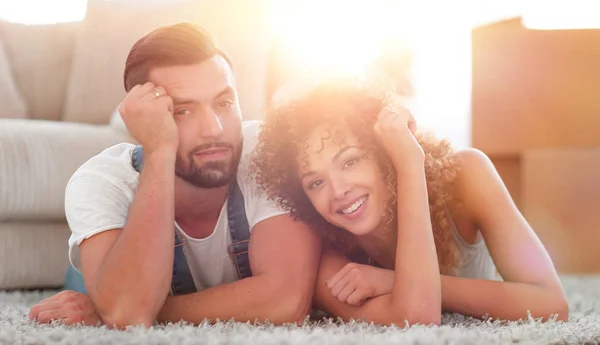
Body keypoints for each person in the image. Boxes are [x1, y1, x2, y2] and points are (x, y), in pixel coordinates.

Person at [28, 22, 321, 329]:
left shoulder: (267, 152)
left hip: (144, 290)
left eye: (223, 103)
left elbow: (285, 301)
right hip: (104, 260)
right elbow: (127, 310)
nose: (214, 129)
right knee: (87, 285)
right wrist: (158, 152)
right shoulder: (100, 181)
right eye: (182, 111)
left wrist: (116, 311)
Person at [251, 79, 569, 326]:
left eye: (350, 162)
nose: (338, 191)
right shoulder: (322, 250)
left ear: (384, 152)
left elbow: (552, 304)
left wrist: (409, 166)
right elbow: (415, 318)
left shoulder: (467, 175)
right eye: (316, 182)